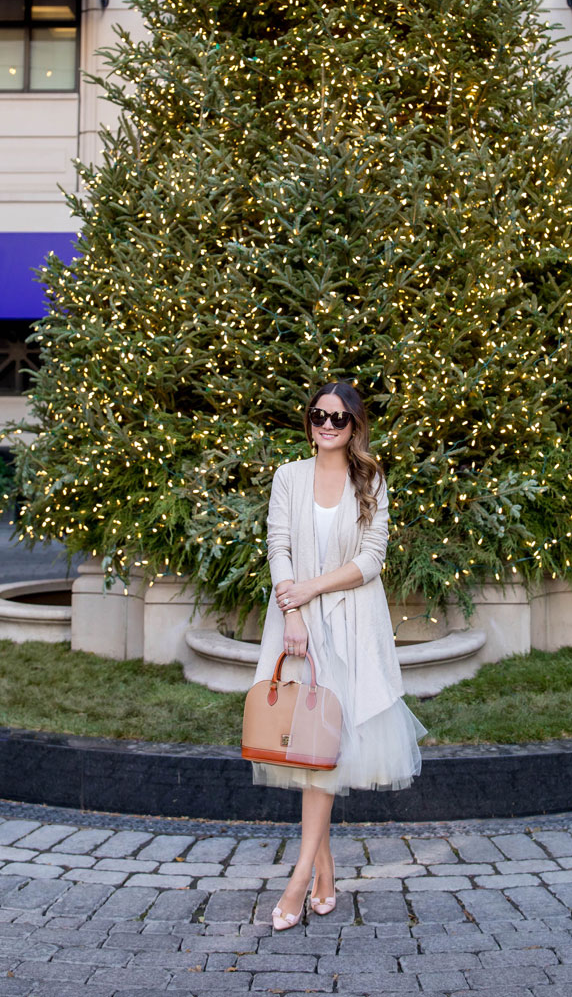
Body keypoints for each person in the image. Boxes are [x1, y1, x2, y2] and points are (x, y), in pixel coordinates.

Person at [249, 380, 427, 931]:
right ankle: (322, 875)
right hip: (297, 626)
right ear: (309, 421)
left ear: (355, 425)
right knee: (309, 747)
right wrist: (294, 611)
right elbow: (278, 546)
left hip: (353, 625)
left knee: (328, 749)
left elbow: (373, 558)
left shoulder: (370, 478)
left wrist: (312, 589)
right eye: (319, 415)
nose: (327, 425)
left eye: (339, 418)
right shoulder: (289, 477)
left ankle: (299, 878)